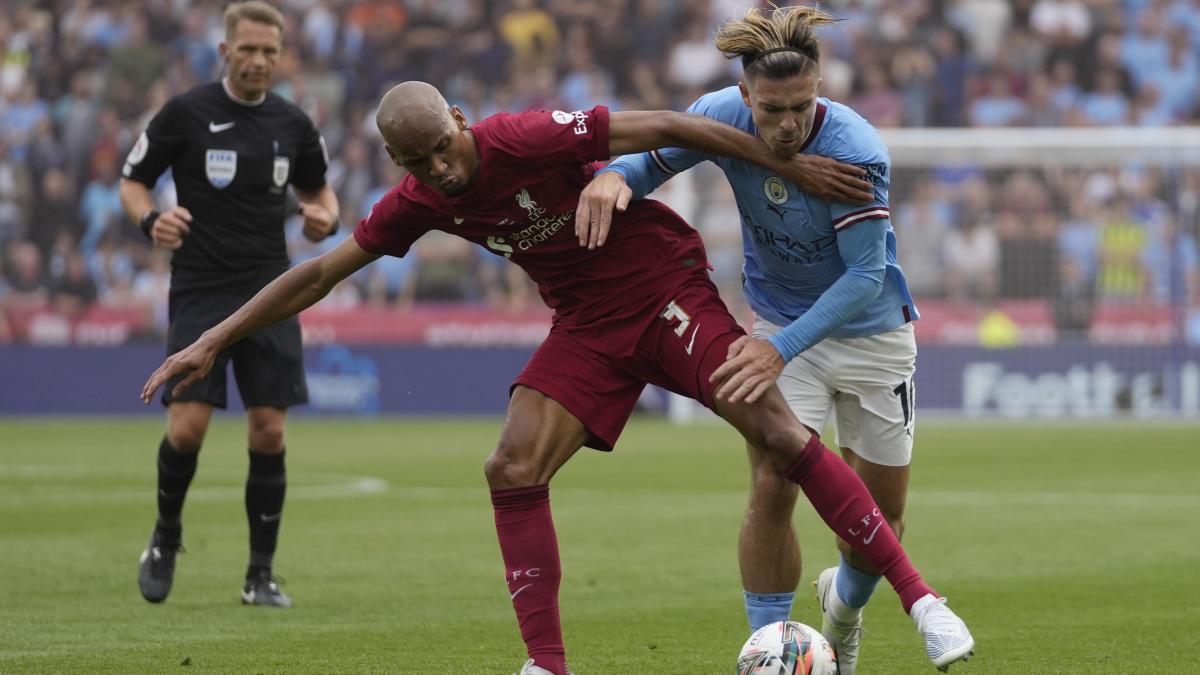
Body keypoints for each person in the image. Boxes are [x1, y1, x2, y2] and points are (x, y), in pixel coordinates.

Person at [140, 80, 974, 674]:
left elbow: (672, 127)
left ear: (459, 122)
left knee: (776, 434)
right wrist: (211, 339)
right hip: (586, 328)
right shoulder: (421, 200)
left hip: (661, 289)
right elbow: (321, 273)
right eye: (418, 160)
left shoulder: (522, 136)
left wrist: (787, 168)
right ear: (395, 159)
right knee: (511, 465)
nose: (442, 169)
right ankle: (545, 663)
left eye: (444, 146)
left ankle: (921, 601)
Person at [576, 6, 973, 673]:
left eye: (800, 106)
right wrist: (614, 175)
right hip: (781, 327)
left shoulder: (856, 147)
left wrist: (776, 348)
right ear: (744, 97)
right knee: (771, 482)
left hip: (872, 333)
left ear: (819, 84)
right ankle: (768, 650)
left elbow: (864, 276)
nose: (786, 124)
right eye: (771, 110)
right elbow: (651, 161)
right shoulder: (719, 113)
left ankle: (840, 614)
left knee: (879, 520)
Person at [118, 0, 340, 608]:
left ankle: (260, 575)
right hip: (200, 287)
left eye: (270, 51)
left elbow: (320, 189)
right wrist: (150, 220)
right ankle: (165, 537)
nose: (260, 61)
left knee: (268, 431)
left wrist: (327, 217)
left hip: (270, 291)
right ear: (225, 51)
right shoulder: (185, 113)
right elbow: (131, 180)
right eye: (248, 49)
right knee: (187, 428)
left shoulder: (294, 124)